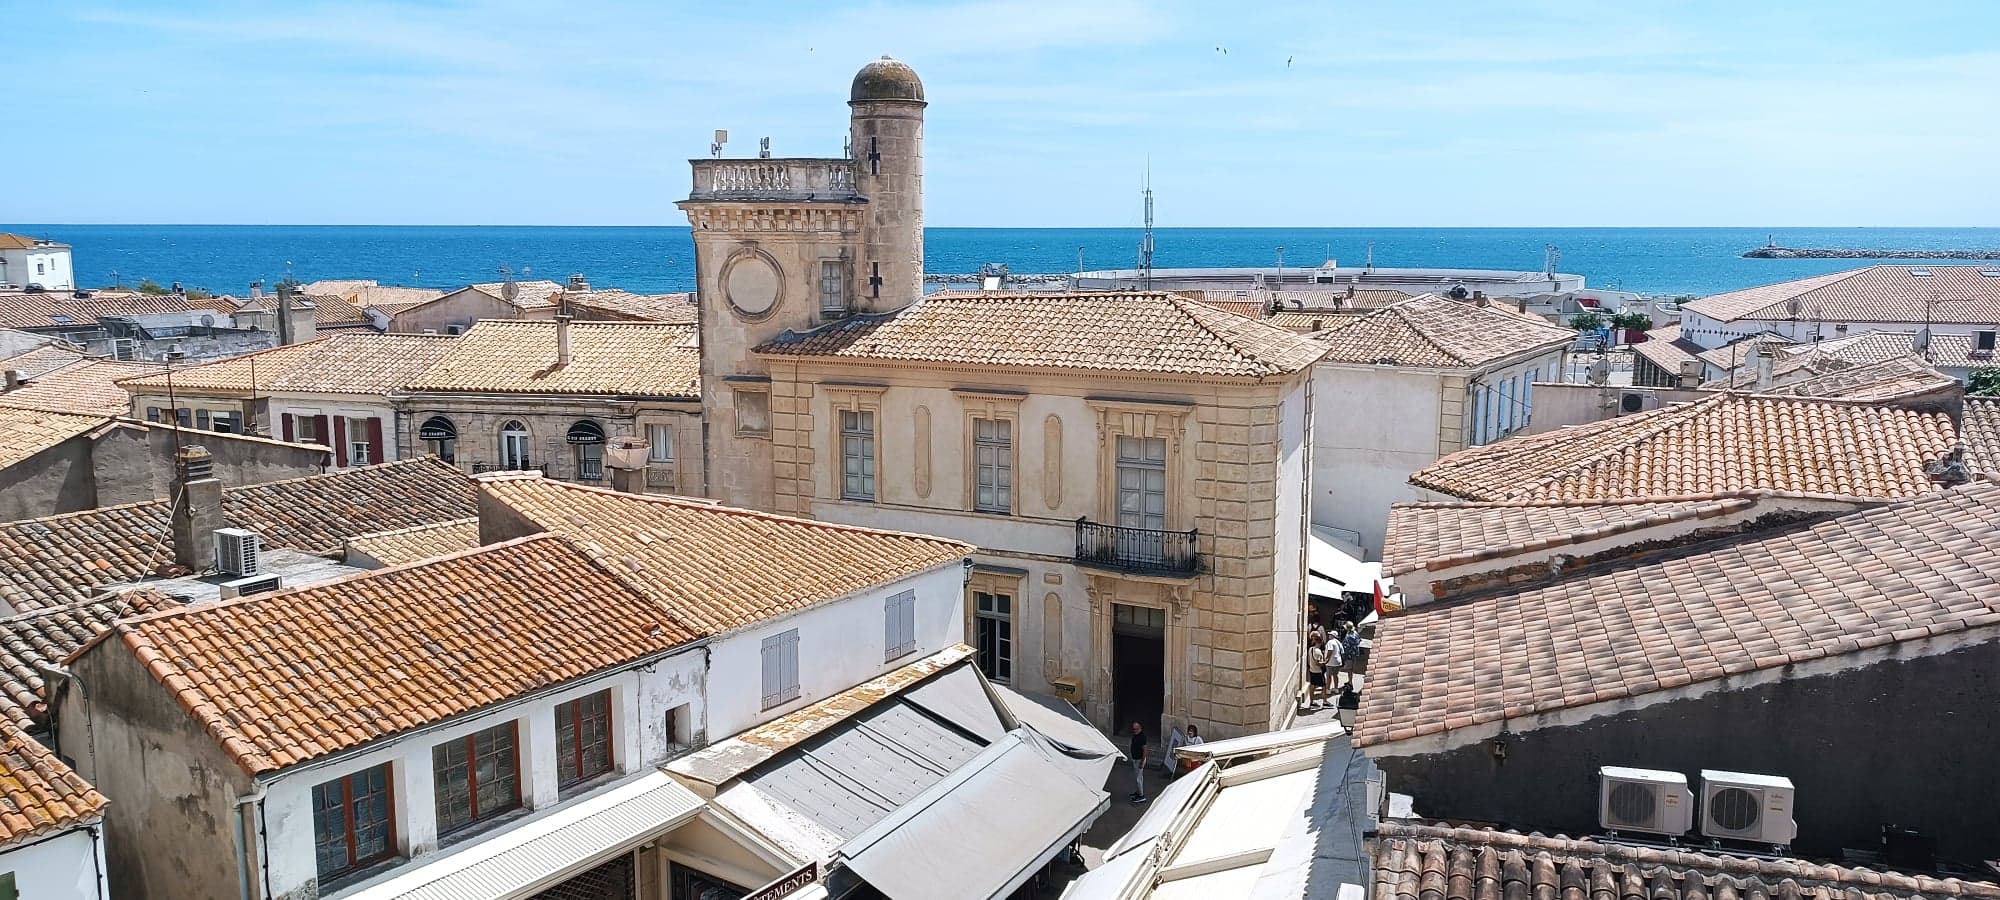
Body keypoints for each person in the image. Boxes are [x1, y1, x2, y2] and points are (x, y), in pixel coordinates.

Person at [1128, 721, 1150, 803]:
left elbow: (1145, 750)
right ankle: (1137, 792)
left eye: (1136, 729)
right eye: (1133, 729)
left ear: (1140, 728)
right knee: (1137, 777)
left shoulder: (1142, 737)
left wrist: (1142, 761)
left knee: (1139, 779)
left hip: (1139, 759)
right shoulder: (1135, 735)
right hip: (1135, 759)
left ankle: (1141, 795)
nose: (1134, 731)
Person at [1306, 633, 1328, 708]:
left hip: (1312, 670)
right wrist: (1325, 662)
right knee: (1324, 686)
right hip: (1318, 671)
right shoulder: (1318, 651)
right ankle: (1325, 701)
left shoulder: (1310, 649)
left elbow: (1310, 661)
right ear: (1320, 642)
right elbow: (1317, 663)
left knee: (1312, 686)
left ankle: (1311, 702)